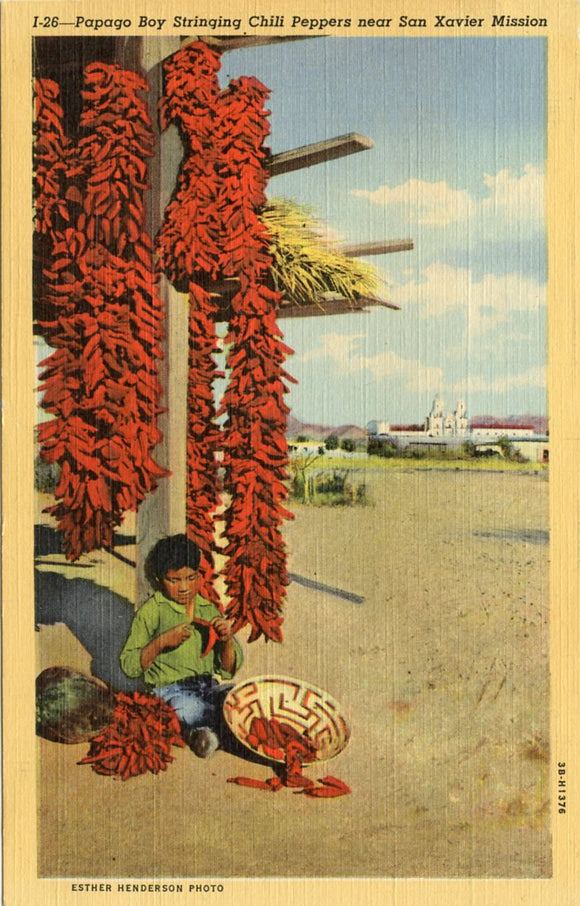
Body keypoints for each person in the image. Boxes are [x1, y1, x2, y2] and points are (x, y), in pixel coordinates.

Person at [120, 534, 243, 758]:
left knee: (237, 695)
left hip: (208, 687)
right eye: (174, 581)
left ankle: (212, 729)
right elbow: (130, 666)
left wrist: (226, 640)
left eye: (190, 578)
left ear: (199, 575)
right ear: (159, 579)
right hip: (169, 691)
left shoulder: (207, 610)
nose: (184, 587)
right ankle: (205, 734)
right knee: (185, 709)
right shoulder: (152, 612)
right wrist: (161, 642)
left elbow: (227, 668)